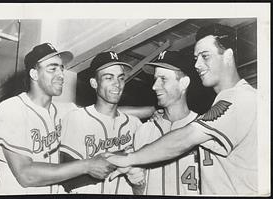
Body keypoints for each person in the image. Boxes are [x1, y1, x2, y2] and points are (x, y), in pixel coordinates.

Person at [107, 23, 257, 195]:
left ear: (228, 56)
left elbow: (185, 137)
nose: (197, 64)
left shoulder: (241, 98)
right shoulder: (222, 107)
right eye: (196, 58)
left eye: (205, 56)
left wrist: (129, 158)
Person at [0, 43, 116, 194]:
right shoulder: (12, 108)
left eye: (61, 68)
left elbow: (102, 113)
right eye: (52, 69)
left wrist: (150, 110)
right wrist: (87, 165)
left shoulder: (63, 110)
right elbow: (25, 175)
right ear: (34, 74)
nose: (61, 75)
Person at [59, 51, 145, 194]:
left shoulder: (135, 124)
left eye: (120, 78)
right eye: (108, 77)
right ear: (94, 83)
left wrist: (138, 183)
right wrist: (120, 160)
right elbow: (67, 180)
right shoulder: (76, 118)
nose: (117, 84)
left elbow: (140, 182)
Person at [127, 50, 201, 195]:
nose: (155, 86)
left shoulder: (205, 128)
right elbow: (138, 191)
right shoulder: (144, 131)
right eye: (155, 79)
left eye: (163, 79)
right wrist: (137, 183)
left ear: (183, 83)